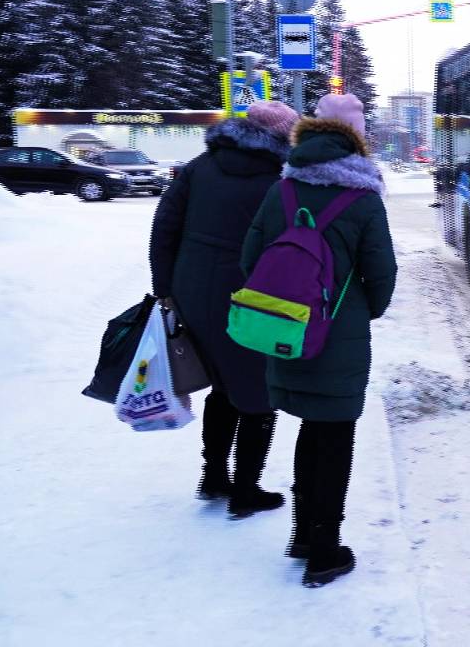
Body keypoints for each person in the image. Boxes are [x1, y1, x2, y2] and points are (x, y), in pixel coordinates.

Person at [241, 93, 397, 588]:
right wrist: (358, 310)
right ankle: (324, 550)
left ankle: (303, 534)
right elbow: (382, 274)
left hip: (285, 329)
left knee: (310, 430)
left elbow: (250, 259)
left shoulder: (282, 190)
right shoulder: (364, 198)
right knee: (333, 437)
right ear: (356, 143)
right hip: (338, 334)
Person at [149, 100, 299, 517]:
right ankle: (246, 491)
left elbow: (164, 228)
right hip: (253, 296)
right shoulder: (281, 180)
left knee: (222, 385)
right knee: (257, 392)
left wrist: (165, 289)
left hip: (193, 289)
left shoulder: (200, 166)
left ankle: (214, 476)